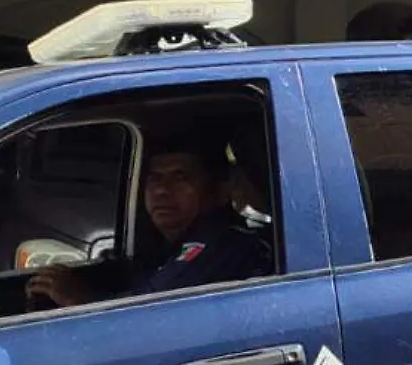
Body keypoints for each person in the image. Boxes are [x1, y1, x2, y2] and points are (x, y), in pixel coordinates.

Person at [26, 131, 273, 308]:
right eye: (154, 178)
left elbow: (144, 312)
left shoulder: (223, 244)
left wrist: (77, 298)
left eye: (180, 178)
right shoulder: (165, 247)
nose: (161, 191)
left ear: (220, 190)